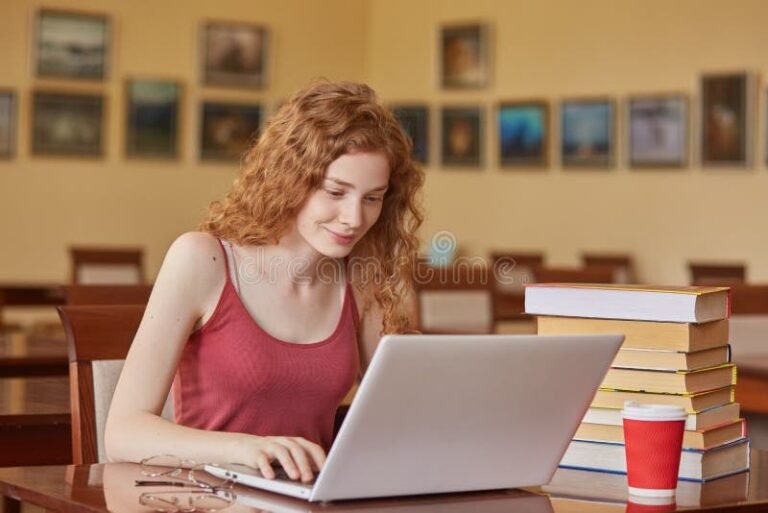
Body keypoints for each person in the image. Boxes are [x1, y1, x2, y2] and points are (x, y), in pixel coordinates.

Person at [105, 80, 425, 484]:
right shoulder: (202, 260)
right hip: (209, 499)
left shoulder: (361, 280)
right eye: (335, 192)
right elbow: (122, 432)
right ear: (291, 178)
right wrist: (245, 447)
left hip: (307, 502)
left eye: (372, 198)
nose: (354, 218)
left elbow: (403, 410)